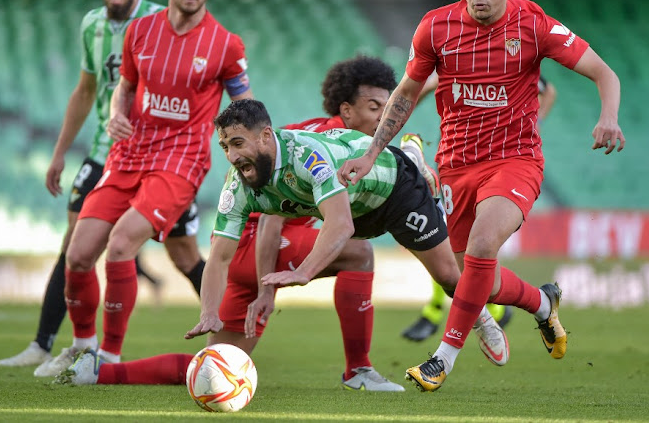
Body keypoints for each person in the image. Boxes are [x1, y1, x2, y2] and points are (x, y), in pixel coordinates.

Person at [56, 73, 507, 388]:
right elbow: (268, 220)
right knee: (359, 255)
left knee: (219, 363)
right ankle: (359, 371)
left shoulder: (318, 139)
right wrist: (280, 282)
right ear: (348, 111)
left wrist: (234, 301)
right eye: (377, 109)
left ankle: (98, 372)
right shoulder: (316, 146)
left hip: (258, 257)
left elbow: (400, 125)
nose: (384, 118)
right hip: (263, 250)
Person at [338, 0, 625, 392]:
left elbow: (603, 72)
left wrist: (608, 117)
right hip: (455, 166)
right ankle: (542, 304)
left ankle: (442, 359)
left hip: (515, 160)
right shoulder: (435, 28)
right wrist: (371, 150)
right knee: (471, 280)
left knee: (484, 244)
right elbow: (407, 93)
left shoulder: (533, 24)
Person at [50, 0, 253, 377]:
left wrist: (248, 155)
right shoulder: (139, 31)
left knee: (121, 244)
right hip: (128, 155)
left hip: (180, 162)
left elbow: (245, 107)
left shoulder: (226, 46)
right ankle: (82, 348)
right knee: (79, 254)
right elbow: (124, 88)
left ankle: (108, 357)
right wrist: (115, 117)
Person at [0, 0, 205, 374]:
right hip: (103, 154)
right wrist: (58, 153)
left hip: (161, 159)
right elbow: (85, 91)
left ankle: (234, 329)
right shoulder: (92, 25)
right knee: (76, 245)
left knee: (184, 254)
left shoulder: (160, 23)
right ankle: (55, 345)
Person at [401, 74, 556, 342]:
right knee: (449, 241)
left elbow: (547, 89)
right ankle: (488, 310)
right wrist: (401, 109)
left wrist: (536, 122)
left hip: (498, 167)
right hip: (457, 160)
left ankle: (442, 315)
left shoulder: (510, 60)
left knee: (473, 244)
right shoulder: (459, 57)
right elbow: (421, 86)